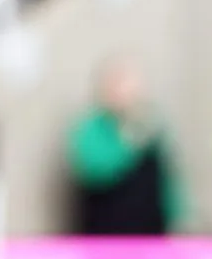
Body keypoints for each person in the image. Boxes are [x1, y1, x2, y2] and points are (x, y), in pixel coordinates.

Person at [66, 57, 192, 235]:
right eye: (117, 85)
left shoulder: (151, 126)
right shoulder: (91, 129)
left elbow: (166, 180)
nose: (124, 92)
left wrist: (178, 217)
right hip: (105, 233)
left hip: (150, 234)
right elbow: (93, 171)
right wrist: (127, 144)